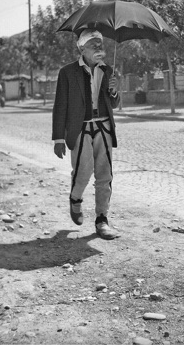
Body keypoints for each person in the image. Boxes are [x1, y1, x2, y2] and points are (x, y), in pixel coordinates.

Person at [52, 29, 121, 239]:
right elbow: (60, 105)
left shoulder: (108, 71)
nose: (99, 47)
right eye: (94, 44)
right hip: (80, 129)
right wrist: (59, 137)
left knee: (105, 174)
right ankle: (75, 198)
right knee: (83, 171)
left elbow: (115, 103)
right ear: (82, 48)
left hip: (104, 128)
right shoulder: (67, 72)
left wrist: (115, 90)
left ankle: (102, 220)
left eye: (100, 43)